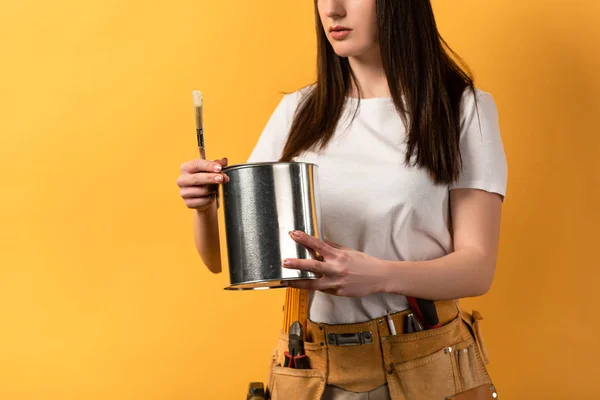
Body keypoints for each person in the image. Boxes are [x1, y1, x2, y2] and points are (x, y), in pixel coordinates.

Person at [177, 0, 507, 399]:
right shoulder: (299, 112)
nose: (332, 10)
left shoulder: (460, 107)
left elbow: (477, 269)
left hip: (424, 364)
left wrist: (379, 275)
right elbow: (224, 262)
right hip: (314, 370)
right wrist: (205, 208)